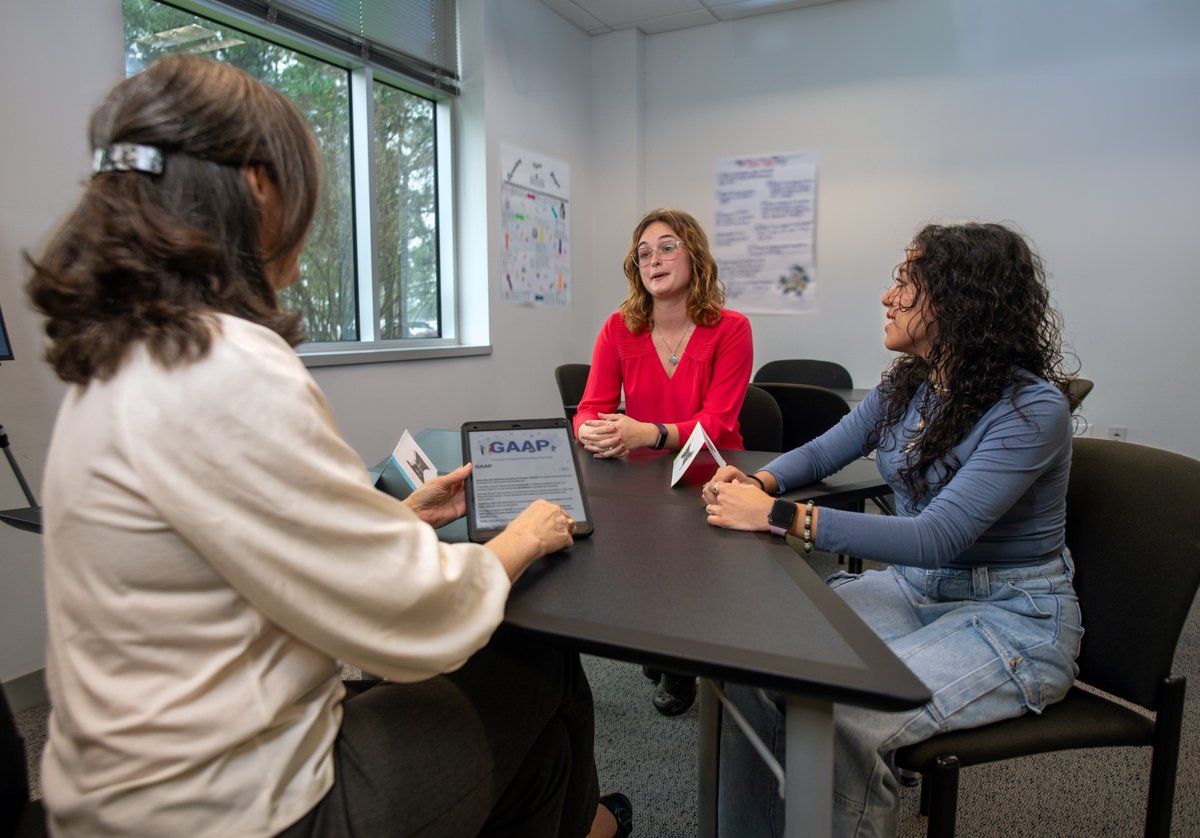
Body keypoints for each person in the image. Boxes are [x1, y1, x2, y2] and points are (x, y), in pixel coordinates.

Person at [26, 54, 631, 838]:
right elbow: (415, 615)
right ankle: (585, 824)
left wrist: (397, 521)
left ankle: (578, 821)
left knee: (538, 752)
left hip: (118, 793)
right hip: (244, 814)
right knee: (537, 657)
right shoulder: (223, 364)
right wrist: (517, 541)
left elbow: (246, 545)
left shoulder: (119, 360)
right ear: (255, 190)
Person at [701, 222, 1083, 837]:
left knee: (841, 712)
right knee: (751, 657)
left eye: (905, 282)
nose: (887, 297)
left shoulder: (1032, 409)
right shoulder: (911, 385)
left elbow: (936, 536)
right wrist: (762, 484)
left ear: (960, 300)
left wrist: (780, 517)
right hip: (914, 590)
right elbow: (826, 451)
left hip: (1014, 616)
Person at [573, 208, 753, 716]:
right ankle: (664, 641)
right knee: (639, 570)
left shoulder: (731, 329)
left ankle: (681, 665)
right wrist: (594, 429)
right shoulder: (617, 328)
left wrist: (647, 431)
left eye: (667, 246)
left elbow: (718, 422)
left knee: (690, 577)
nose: (654, 258)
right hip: (641, 478)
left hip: (709, 475)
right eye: (644, 252)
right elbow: (589, 406)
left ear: (694, 255)